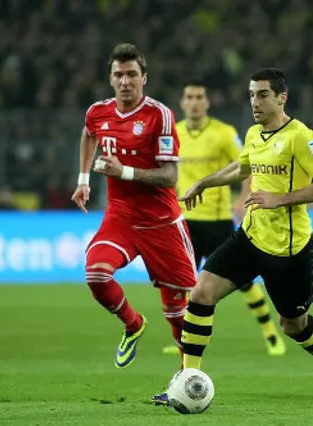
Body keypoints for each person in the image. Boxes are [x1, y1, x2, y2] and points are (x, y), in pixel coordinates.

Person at [159, 68, 313, 403]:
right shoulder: (253, 134)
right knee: (202, 292)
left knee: (293, 325)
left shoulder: (300, 136)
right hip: (250, 237)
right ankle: (186, 378)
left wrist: (279, 199)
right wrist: (205, 181)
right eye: (251, 94)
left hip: (289, 251)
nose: (255, 102)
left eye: (263, 94)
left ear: (282, 97)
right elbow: (241, 168)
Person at [70, 43, 196, 370]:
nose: (125, 81)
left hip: (162, 222)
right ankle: (133, 323)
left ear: (144, 78)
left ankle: (188, 378)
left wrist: (123, 171)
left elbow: (170, 176)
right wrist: (83, 178)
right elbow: (88, 135)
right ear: (110, 79)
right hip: (121, 216)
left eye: (132, 75)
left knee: (179, 315)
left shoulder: (160, 116)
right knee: (96, 274)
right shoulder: (98, 112)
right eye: (118, 75)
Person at [159, 80, 286, 358]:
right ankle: (184, 340)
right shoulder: (174, 133)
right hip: (185, 221)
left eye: (199, 97)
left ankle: (270, 334)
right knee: (182, 283)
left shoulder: (224, 133)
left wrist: (241, 198)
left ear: (207, 102)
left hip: (216, 220)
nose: (194, 102)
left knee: (243, 282)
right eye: (189, 96)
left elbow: (247, 167)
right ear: (182, 102)